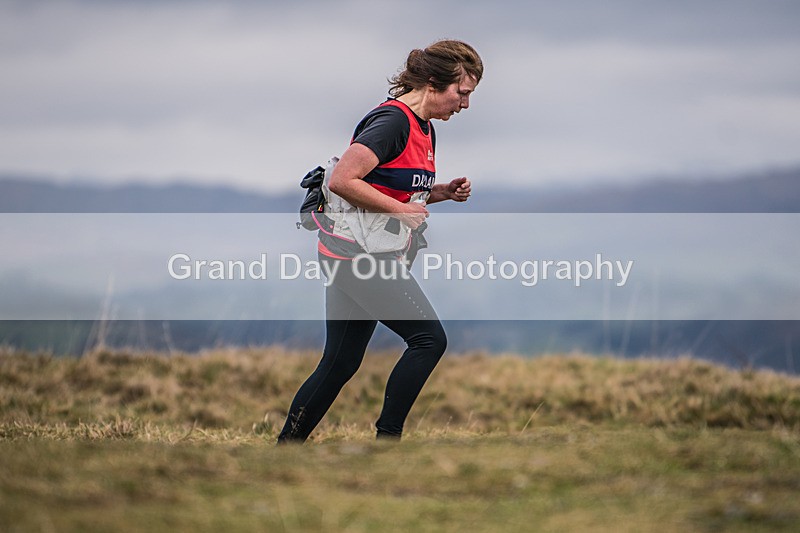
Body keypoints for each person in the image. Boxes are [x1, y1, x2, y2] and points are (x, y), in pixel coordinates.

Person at [277, 40, 483, 443]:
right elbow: (342, 180)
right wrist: (398, 210)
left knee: (339, 363)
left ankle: (286, 447)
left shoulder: (424, 129)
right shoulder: (392, 123)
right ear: (432, 83)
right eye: (462, 93)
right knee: (428, 340)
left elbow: (396, 189)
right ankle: (388, 442)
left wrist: (440, 192)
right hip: (358, 257)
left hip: (351, 254)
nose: (465, 105)